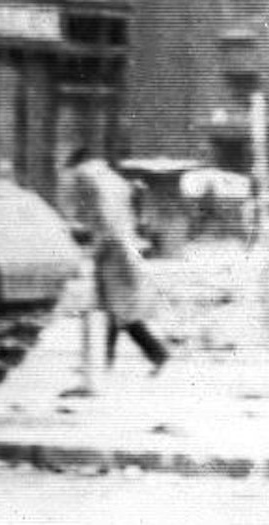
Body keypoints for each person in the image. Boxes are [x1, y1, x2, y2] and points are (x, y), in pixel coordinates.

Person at [61, 148, 171, 374]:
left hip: (114, 249)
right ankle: (111, 359)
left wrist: (96, 244)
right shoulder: (111, 178)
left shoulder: (90, 179)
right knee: (115, 307)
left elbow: (104, 218)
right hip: (122, 246)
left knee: (117, 307)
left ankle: (154, 353)